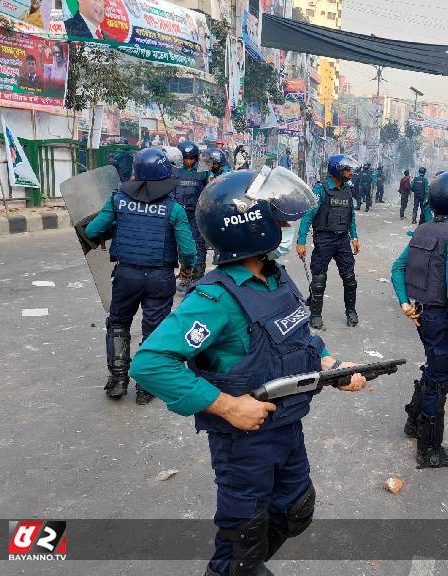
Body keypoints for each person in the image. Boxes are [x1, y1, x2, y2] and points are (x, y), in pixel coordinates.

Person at [128, 168, 369, 576]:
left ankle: (246, 567)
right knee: (245, 535)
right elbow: (150, 363)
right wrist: (225, 405)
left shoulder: (276, 276)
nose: (289, 225)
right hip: (245, 444)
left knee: (295, 509)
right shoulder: (216, 298)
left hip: (287, 426)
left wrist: (330, 365)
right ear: (250, 228)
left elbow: (299, 333)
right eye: (278, 219)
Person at [83, 148, 197, 404]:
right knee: (155, 330)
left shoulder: (118, 200)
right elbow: (188, 250)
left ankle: (118, 379)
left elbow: (92, 230)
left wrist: (116, 225)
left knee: (118, 323)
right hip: (160, 278)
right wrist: (186, 269)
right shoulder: (174, 209)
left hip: (126, 275)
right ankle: (146, 387)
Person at [391, 171, 448, 468]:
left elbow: (396, 268)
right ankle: (429, 451)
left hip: (423, 315)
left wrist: (404, 303)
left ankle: (413, 424)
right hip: (442, 320)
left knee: (432, 368)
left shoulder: (423, 229)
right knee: (439, 380)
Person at [295, 154, 363, 329]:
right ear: (337, 171)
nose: (351, 173)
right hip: (324, 239)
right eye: (347, 169)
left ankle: (351, 312)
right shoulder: (321, 189)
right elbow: (308, 215)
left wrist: (354, 237)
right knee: (319, 279)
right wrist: (301, 241)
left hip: (343, 240)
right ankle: (316, 315)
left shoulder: (347, 190)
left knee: (350, 279)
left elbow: (351, 215)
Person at [174, 141, 211, 286]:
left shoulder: (204, 170)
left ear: (196, 158)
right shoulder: (173, 170)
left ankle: (197, 276)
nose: (188, 161)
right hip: (179, 214)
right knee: (181, 245)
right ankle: (185, 275)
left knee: (198, 245)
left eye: (191, 158)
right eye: (185, 158)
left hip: (196, 215)